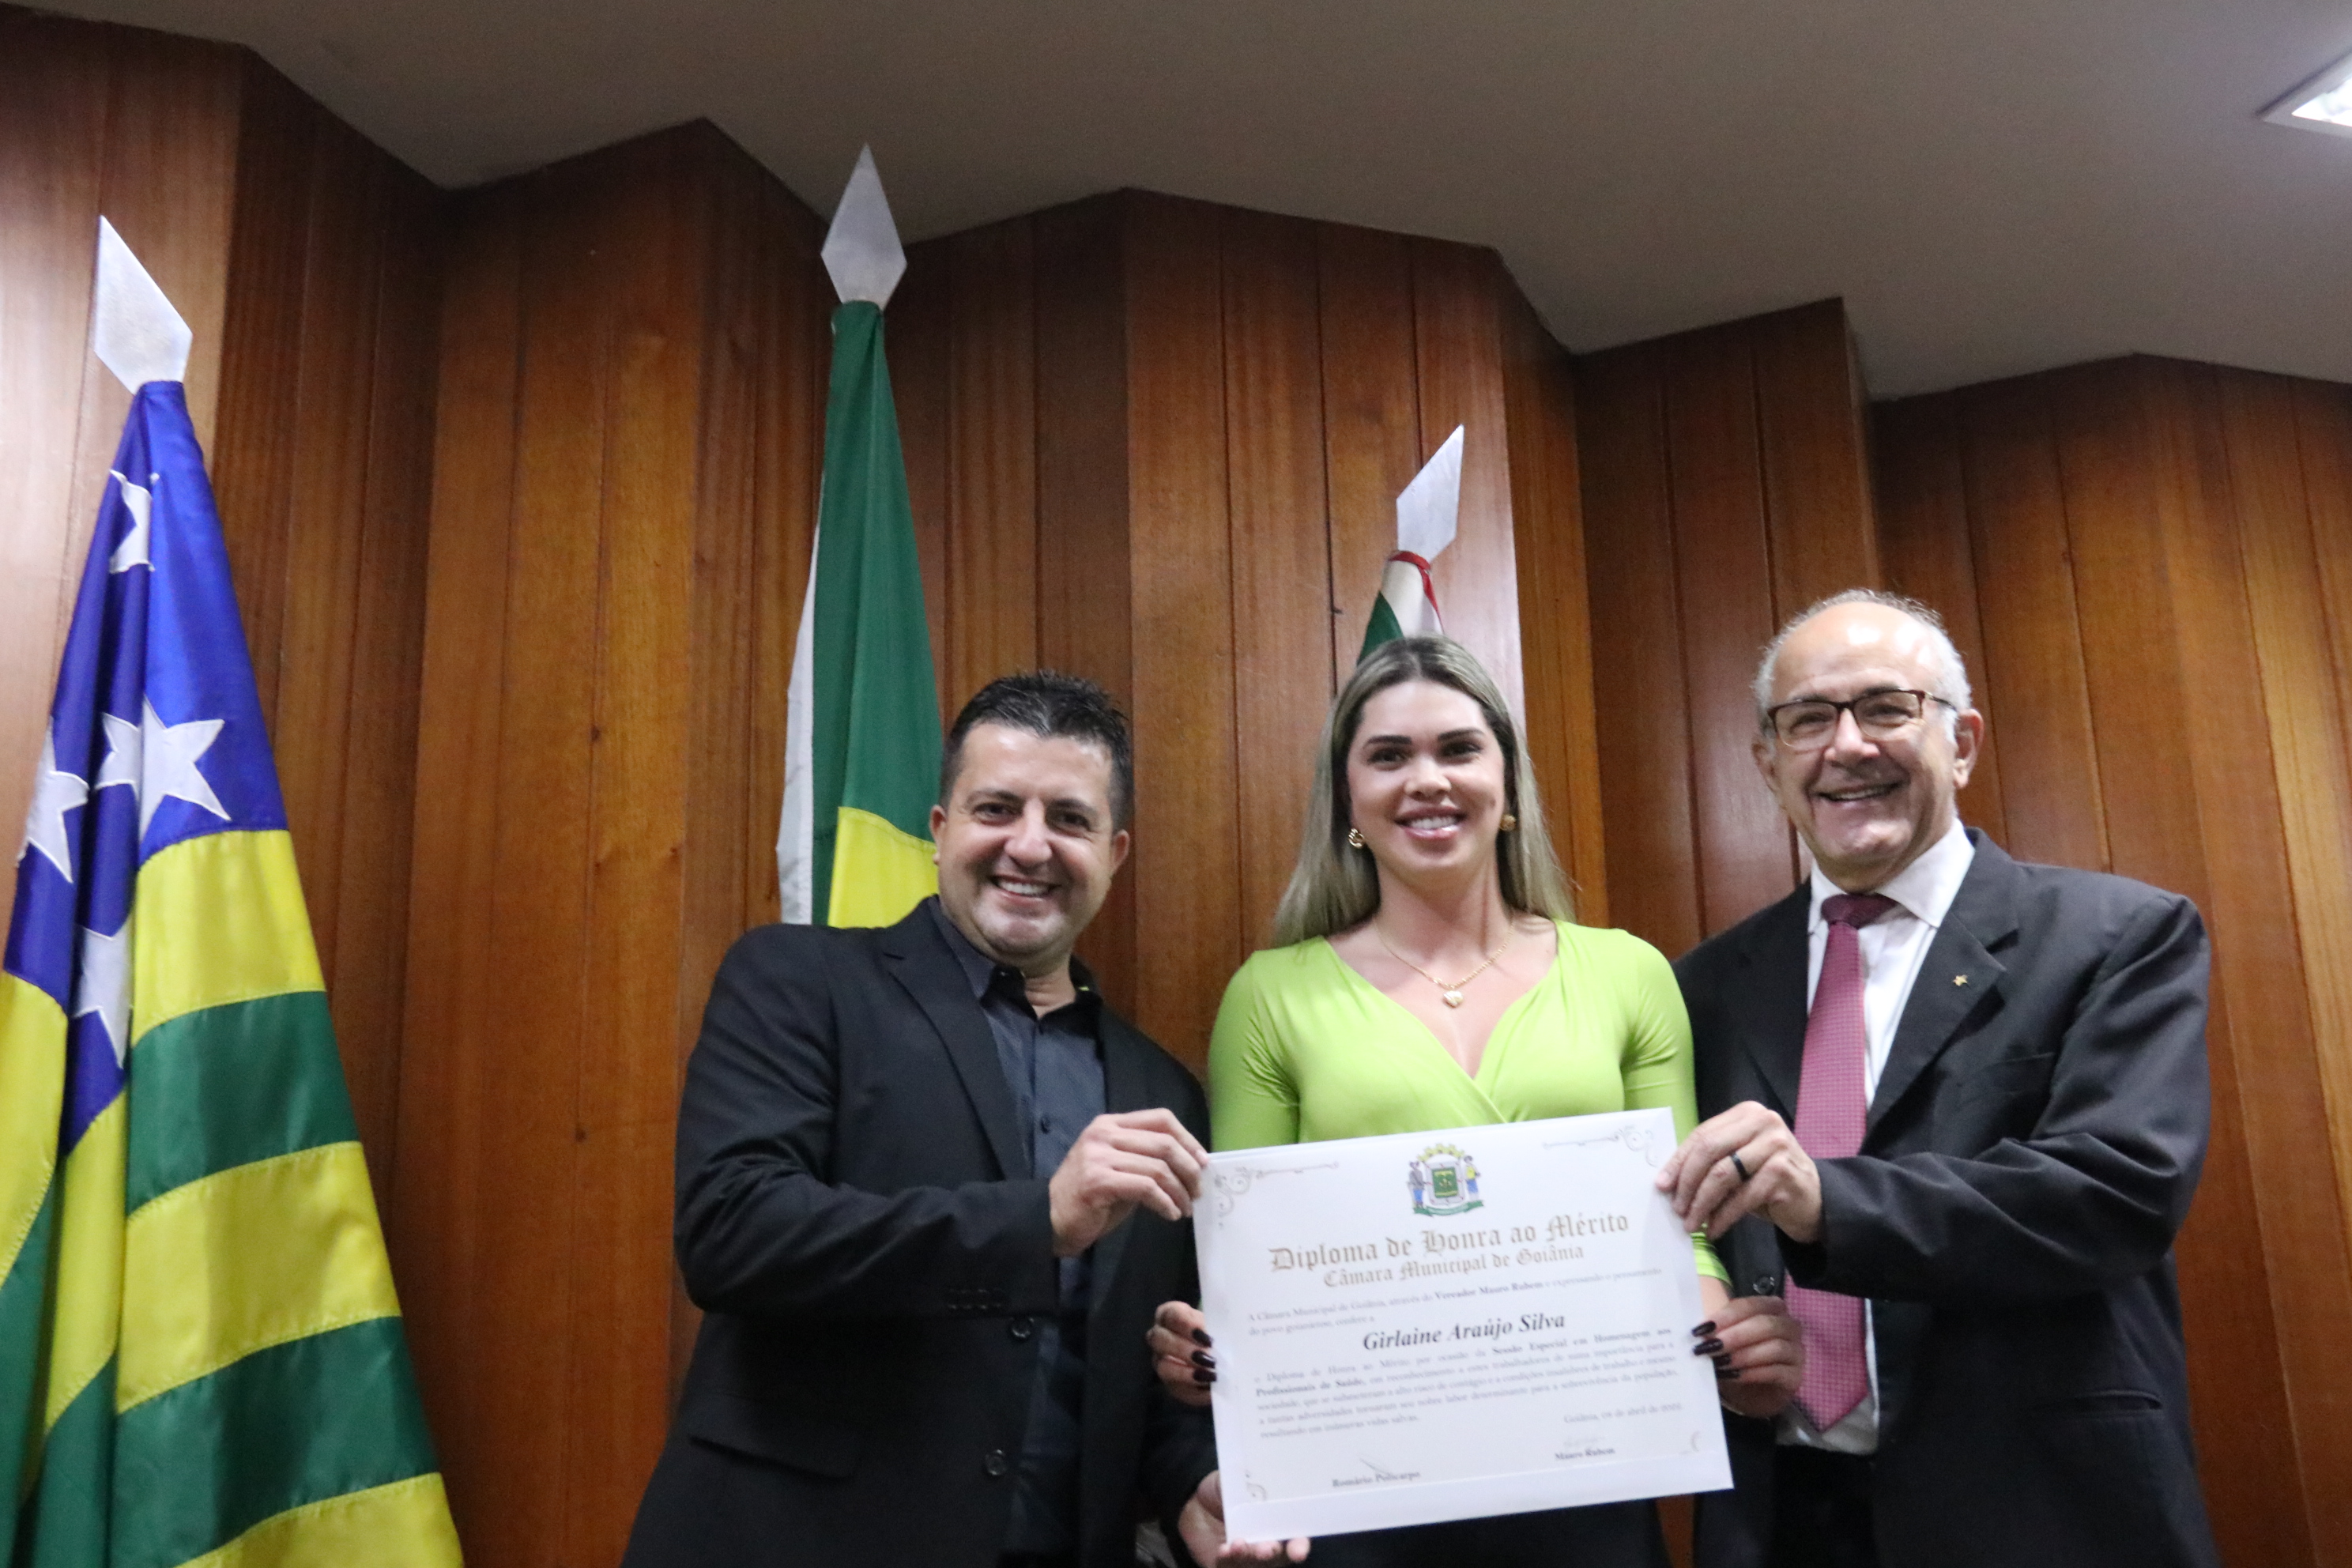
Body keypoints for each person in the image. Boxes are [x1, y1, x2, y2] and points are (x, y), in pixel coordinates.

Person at [1150, 636, 1804, 1568]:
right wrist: (1209, 1348)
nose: (1428, 780)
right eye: (1388, 755)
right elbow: (1246, 1267)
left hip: (1588, 1486)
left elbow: (1683, 1230)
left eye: (1458, 748)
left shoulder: (1628, 972)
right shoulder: (1269, 994)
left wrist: (1724, 1356)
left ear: (1507, 784)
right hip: (1361, 1506)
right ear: (1347, 802)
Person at [622, 672, 1291, 1568]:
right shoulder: (798, 981)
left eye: (1069, 819)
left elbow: (1125, 1365)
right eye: (996, 809)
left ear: (1116, 853)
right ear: (940, 830)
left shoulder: (1161, 1092)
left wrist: (1187, 1484)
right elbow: (731, 1233)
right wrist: (1037, 1221)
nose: (1030, 844)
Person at [1655, 590, 2222, 1568]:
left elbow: (2118, 1191)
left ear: (1961, 743)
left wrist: (1827, 1202)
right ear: (1769, 763)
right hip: (1786, 1517)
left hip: (2037, 1509)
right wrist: (1717, 1342)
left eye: (1886, 708)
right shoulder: (1702, 987)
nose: (1847, 746)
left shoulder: (2117, 938)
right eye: (1807, 719)